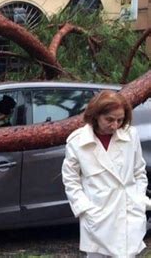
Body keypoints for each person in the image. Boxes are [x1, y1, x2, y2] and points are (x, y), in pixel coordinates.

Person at [62, 90, 150, 258]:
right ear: (95, 115)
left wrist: (138, 199)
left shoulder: (130, 135)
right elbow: (71, 180)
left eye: (120, 120)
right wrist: (85, 209)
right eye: (109, 119)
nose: (115, 125)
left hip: (128, 212)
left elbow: (139, 171)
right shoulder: (77, 141)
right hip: (98, 215)